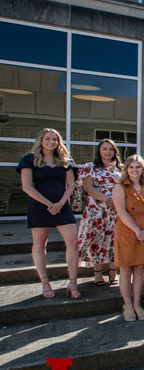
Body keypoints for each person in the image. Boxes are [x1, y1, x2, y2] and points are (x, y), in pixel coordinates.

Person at [17, 128, 80, 299]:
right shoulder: (29, 159)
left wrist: (59, 204)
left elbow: (71, 185)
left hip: (61, 206)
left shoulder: (65, 160)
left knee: (73, 242)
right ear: (41, 140)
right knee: (40, 243)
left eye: (55, 139)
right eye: (48, 138)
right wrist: (49, 204)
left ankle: (73, 282)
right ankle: (45, 282)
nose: (52, 141)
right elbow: (27, 187)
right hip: (39, 206)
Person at [112, 155, 144, 321]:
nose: (134, 170)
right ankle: (127, 304)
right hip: (128, 231)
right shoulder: (120, 187)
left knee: (139, 268)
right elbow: (121, 212)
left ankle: (137, 303)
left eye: (138, 167)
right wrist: (137, 231)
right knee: (125, 269)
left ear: (143, 169)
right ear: (126, 169)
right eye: (131, 167)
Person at [77, 139, 122, 286]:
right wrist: (107, 199)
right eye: (104, 149)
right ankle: (97, 273)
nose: (108, 152)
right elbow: (88, 188)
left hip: (115, 211)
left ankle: (113, 271)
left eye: (111, 149)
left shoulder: (120, 169)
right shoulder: (90, 167)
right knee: (97, 240)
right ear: (99, 151)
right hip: (96, 211)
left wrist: (116, 202)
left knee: (114, 240)